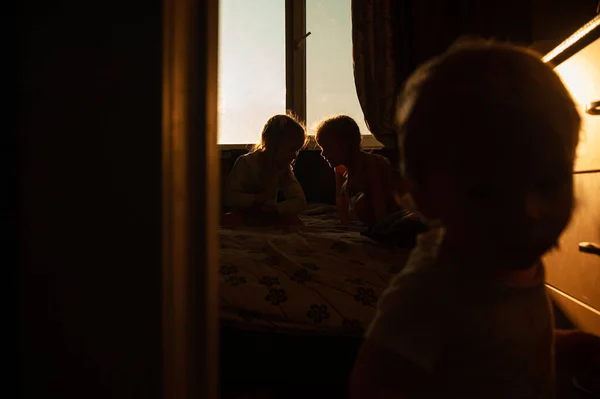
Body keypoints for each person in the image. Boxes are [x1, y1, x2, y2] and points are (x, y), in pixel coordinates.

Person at [350, 40, 600, 399]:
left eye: (548, 183)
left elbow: (494, 349)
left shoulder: (512, 258)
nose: (528, 212)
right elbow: (373, 385)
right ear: (423, 196)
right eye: (486, 192)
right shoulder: (431, 290)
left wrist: (561, 348)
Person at [315, 115, 407, 226]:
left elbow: (379, 199)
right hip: (373, 212)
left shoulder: (371, 164)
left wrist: (381, 227)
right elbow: (341, 198)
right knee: (359, 204)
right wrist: (344, 223)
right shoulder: (339, 168)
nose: (322, 153)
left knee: (361, 204)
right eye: (321, 148)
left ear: (347, 144)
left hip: (399, 207)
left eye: (328, 147)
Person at [222, 113, 307, 227]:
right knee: (229, 219)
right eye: (292, 150)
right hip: (245, 212)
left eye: (297, 151)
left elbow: (300, 201)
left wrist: (275, 209)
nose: (294, 156)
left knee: (294, 221)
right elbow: (229, 197)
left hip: (268, 214)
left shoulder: (283, 169)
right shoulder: (246, 163)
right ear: (273, 144)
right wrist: (256, 199)